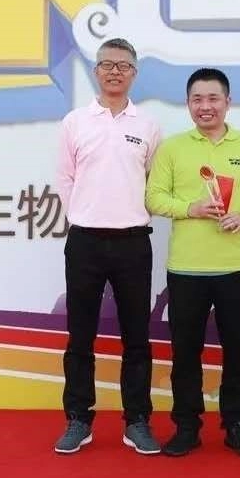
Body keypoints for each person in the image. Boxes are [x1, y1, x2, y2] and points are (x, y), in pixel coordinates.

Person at [145, 68, 240, 457]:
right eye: (197, 99)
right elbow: (153, 198)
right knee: (185, 353)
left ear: (228, 102)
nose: (205, 106)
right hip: (186, 270)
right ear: (188, 104)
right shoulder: (172, 148)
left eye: (213, 98)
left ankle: (236, 424)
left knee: (238, 352)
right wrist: (192, 208)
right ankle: (187, 426)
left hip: (236, 268)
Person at [54, 38, 162, 455]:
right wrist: (85, 214)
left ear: (134, 73)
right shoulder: (75, 121)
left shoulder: (147, 125)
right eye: (108, 64)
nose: (115, 71)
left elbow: (153, 182)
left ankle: (137, 421)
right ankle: (78, 419)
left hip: (133, 243)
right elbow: (65, 179)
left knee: (137, 338)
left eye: (124, 65)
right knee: (80, 336)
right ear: (96, 71)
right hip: (85, 241)